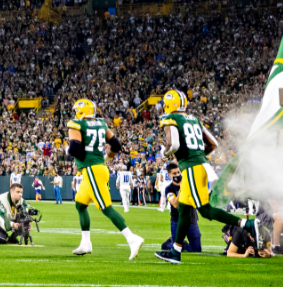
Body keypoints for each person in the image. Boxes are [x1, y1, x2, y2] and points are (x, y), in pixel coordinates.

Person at [155, 90, 259, 264]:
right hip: (197, 166)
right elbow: (213, 144)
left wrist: (166, 153)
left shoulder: (170, 119)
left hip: (192, 167)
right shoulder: (194, 119)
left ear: (168, 104)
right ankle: (176, 250)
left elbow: (172, 144)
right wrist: (199, 155)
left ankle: (245, 224)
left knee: (204, 210)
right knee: (184, 208)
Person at [66, 98, 145, 259]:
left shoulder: (77, 124)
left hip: (91, 170)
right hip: (97, 168)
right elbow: (116, 145)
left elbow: (74, 148)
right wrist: (105, 158)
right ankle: (85, 243)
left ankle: (132, 238)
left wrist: (78, 158)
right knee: (80, 204)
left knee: (106, 207)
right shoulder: (101, 124)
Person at [160, 164, 201, 253]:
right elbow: (175, 204)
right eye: (174, 173)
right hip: (177, 221)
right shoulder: (169, 189)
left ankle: (182, 244)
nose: (177, 175)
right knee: (178, 250)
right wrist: (182, 189)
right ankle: (169, 243)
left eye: (178, 172)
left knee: (196, 250)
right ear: (169, 175)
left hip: (191, 219)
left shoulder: (190, 184)